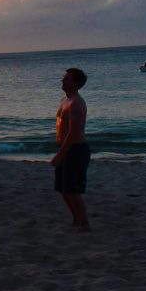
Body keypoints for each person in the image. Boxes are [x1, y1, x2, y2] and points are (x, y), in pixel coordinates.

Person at [51, 67, 91, 231]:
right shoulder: (64, 100)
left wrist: (60, 155)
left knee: (73, 190)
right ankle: (76, 219)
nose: (62, 80)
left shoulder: (76, 103)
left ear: (75, 83)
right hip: (64, 147)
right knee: (62, 188)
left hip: (75, 149)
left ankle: (85, 223)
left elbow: (74, 133)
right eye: (63, 78)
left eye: (66, 78)